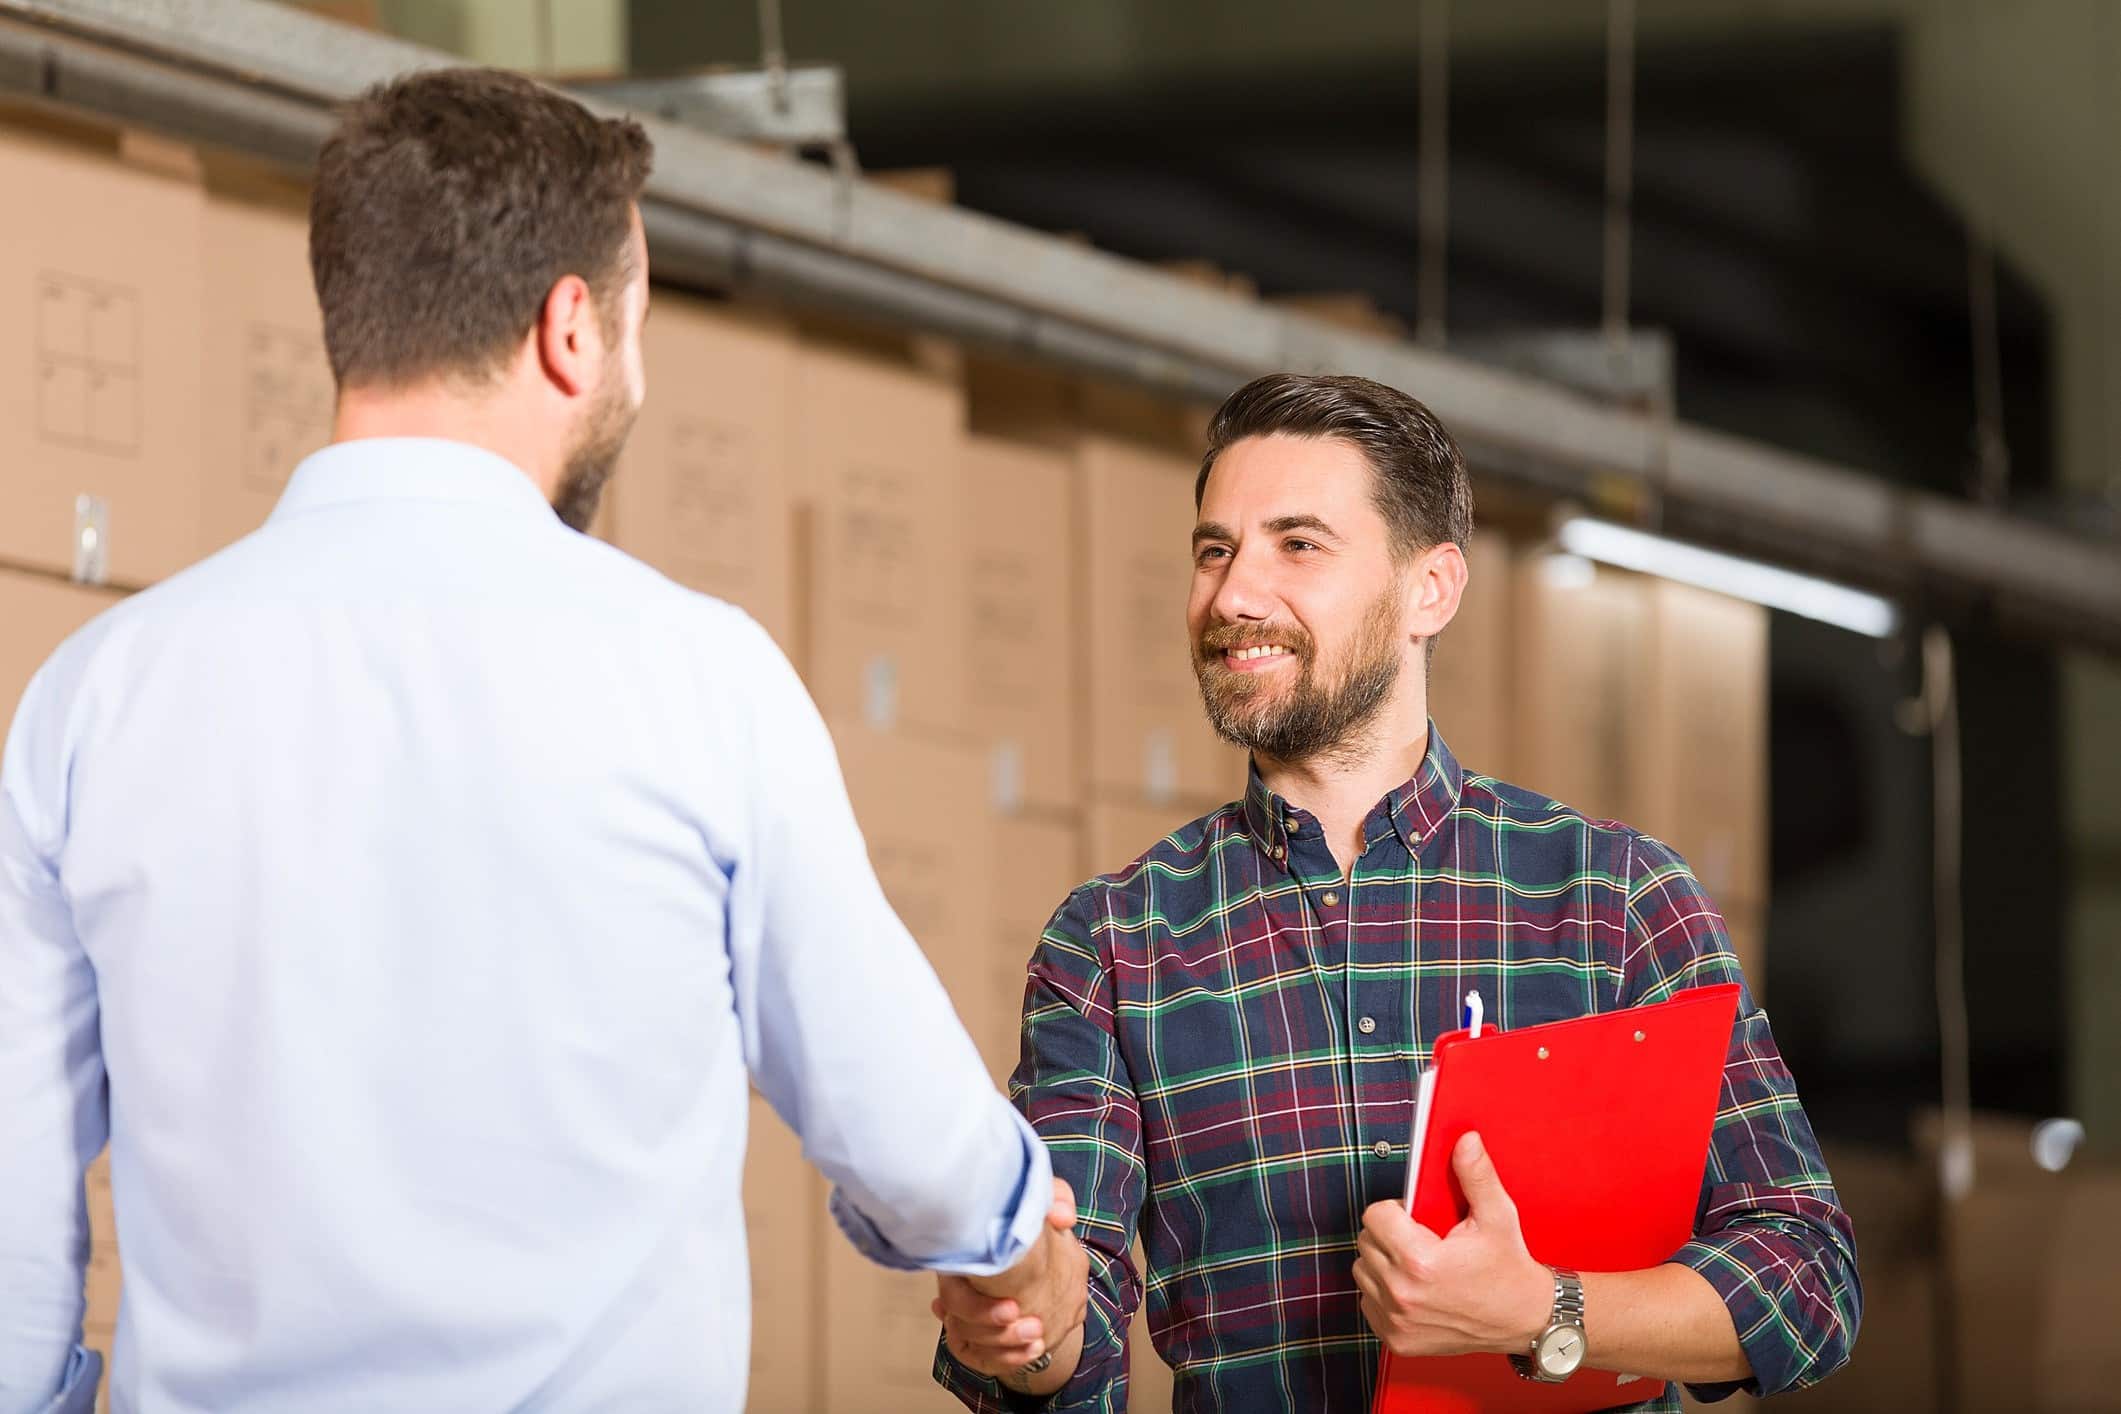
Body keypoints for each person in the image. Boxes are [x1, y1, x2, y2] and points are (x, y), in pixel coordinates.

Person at [0, 68, 1071, 1414]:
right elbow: (903, 1124)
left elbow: (13, 1226)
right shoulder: (695, 675)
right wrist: (1024, 1248)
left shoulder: (97, 696)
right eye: (635, 325)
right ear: (572, 329)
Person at [930, 373, 1861, 1412]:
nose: (1232, 595)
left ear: (1432, 589)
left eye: (1297, 544)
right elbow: (1072, 1335)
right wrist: (1027, 1320)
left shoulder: (1616, 900)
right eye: (1214, 550)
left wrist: (1545, 1312)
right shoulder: (1114, 939)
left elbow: (1805, 1278)